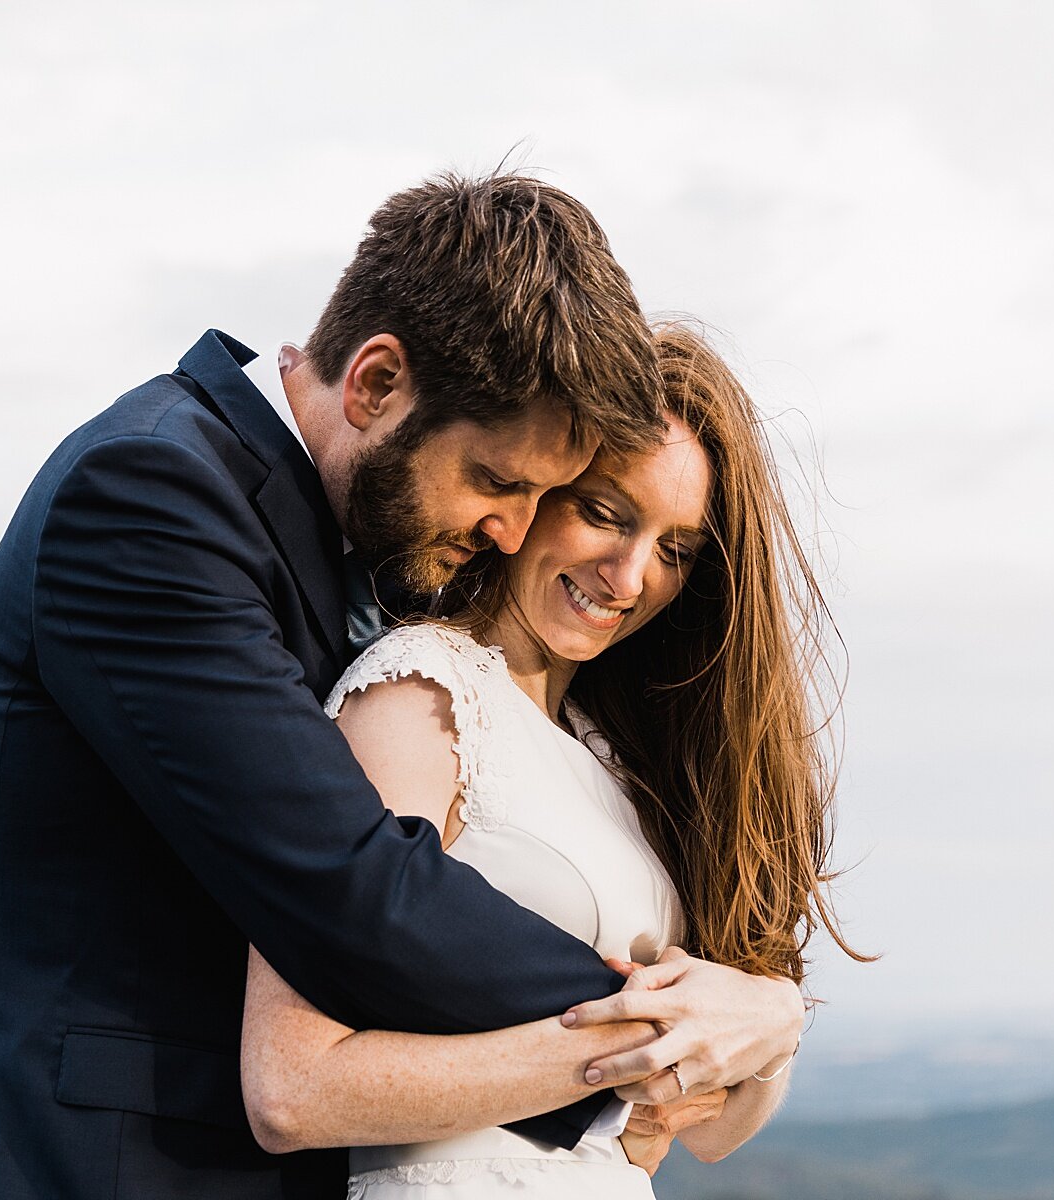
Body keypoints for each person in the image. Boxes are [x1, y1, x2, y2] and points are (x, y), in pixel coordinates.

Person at [0, 174, 804, 1200]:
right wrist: (678, 1020)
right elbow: (349, 885)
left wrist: (745, 1018)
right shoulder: (149, 498)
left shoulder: (351, 546)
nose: (511, 531)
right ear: (376, 383)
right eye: (501, 483)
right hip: (121, 1169)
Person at [239, 324, 873, 1197]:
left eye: (675, 549)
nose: (628, 575)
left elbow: (716, 1130)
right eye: (606, 513)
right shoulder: (417, 696)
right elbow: (295, 1087)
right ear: (535, 489)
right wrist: (643, 1049)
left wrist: (771, 1022)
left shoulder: (614, 755)